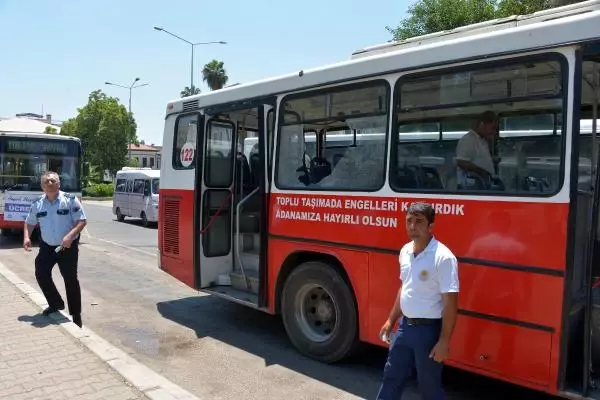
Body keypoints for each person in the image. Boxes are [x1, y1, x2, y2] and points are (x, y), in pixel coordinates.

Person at [376, 202, 459, 400]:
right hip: (404, 328)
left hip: (428, 332)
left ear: (431, 226)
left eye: (419, 222)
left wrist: (444, 341)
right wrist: (390, 320)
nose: (413, 226)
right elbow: (405, 288)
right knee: (391, 377)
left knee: (429, 387)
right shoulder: (405, 251)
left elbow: (450, 303)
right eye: (409, 221)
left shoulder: (444, 258)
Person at [23, 171, 87, 328]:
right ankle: (55, 303)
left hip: (67, 247)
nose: (50, 183)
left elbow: (82, 221)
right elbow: (29, 222)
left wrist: (70, 236)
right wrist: (26, 237)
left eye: (53, 181)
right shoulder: (37, 203)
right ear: (42, 186)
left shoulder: (70, 200)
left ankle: (76, 315)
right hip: (47, 246)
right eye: (46, 182)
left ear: (58, 184)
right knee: (41, 273)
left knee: (70, 279)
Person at [455, 110, 501, 189]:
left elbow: (477, 158)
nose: (494, 132)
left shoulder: (483, 140)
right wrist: (482, 172)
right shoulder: (468, 140)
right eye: (492, 128)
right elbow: (461, 162)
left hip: (484, 184)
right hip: (471, 186)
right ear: (482, 124)